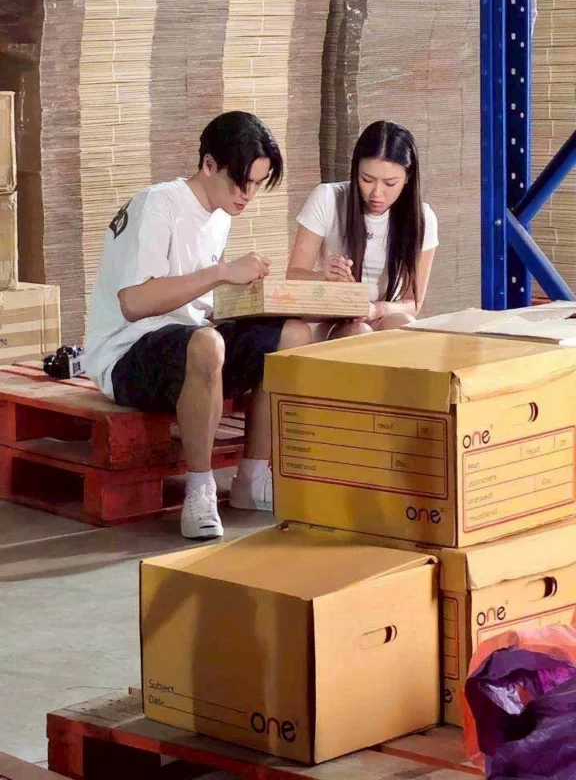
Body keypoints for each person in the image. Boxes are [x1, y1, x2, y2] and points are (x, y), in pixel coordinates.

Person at [85, 111, 311, 540]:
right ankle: (200, 489)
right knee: (207, 343)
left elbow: (198, 307)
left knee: (292, 334)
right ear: (209, 164)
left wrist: (252, 300)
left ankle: (252, 478)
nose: (248, 195)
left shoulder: (220, 214)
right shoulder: (157, 204)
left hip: (189, 343)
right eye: (240, 183)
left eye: (257, 184)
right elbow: (134, 303)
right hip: (127, 353)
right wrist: (222, 272)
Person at [287, 120, 438, 337]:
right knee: (359, 331)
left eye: (390, 183)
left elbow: (413, 302)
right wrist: (323, 276)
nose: (376, 193)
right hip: (335, 319)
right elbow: (293, 277)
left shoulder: (422, 218)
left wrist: (376, 309)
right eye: (367, 180)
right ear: (355, 170)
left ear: (408, 178)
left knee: (405, 325)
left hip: (382, 314)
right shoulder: (327, 198)